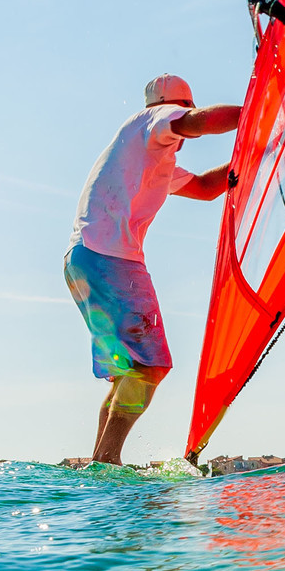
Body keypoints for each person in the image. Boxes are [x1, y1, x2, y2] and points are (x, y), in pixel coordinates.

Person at [64, 74, 241, 465]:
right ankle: (107, 461)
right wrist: (256, 116)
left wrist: (252, 156)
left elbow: (207, 187)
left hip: (84, 261)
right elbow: (198, 123)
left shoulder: (153, 156)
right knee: (150, 365)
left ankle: (101, 463)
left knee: (130, 370)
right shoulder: (152, 121)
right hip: (110, 259)